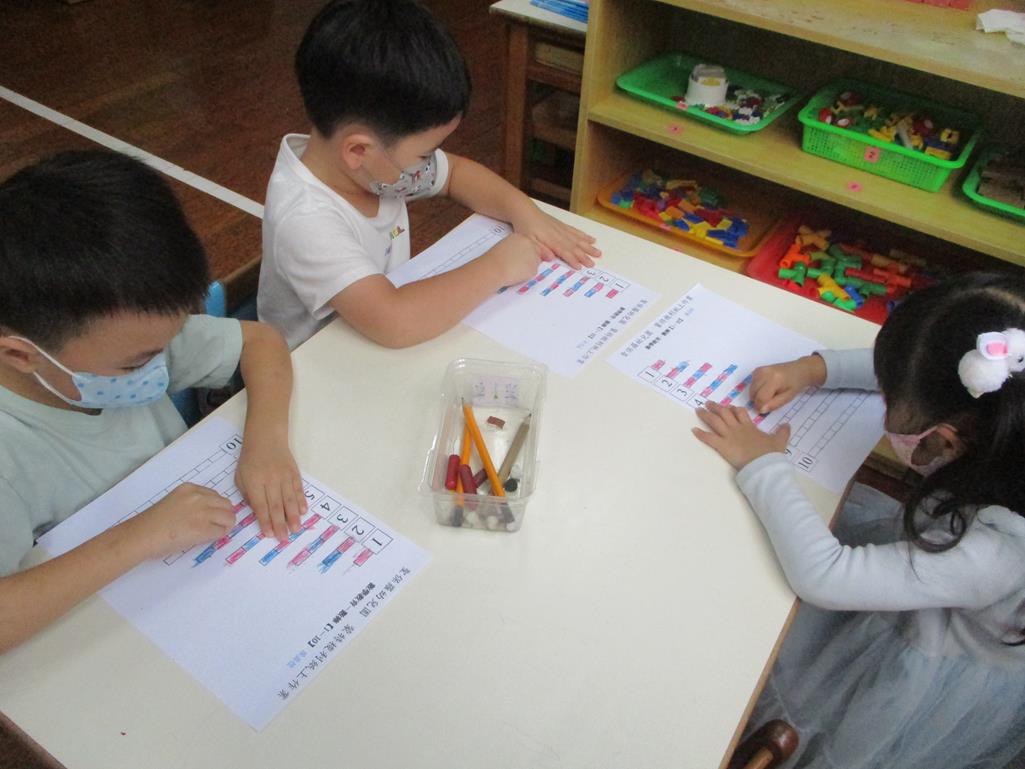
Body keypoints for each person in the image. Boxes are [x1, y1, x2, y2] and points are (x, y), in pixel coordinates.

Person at [693, 273, 1025, 768]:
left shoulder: (992, 556)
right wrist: (814, 369)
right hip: (945, 580)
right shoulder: (1006, 419)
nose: (886, 397)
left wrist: (762, 464)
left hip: (918, 664)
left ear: (949, 439)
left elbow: (825, 576)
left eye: (891, 400)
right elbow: (919, 372)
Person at [0, 150, 305, 652]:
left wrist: (266, 441)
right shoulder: (13, 453)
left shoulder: (124, 331)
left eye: (170, 342)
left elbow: (261, 342)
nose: (160, 363)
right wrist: (137, 537)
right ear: (20, 354)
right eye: (135, 364)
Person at [258, 0, 601, 349]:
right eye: (424, 154)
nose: (428, 164)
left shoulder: (370, 168)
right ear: (358, 151)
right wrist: (498, 267)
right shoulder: (306, 219)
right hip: (316, 367)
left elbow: (457, 175)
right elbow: (394, 321)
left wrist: (525, 212)